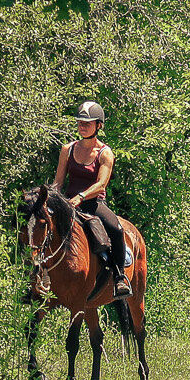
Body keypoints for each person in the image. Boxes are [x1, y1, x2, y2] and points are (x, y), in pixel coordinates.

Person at [50, 100, 130, 299]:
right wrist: (50, 198)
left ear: (99, 125)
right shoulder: (67, 149)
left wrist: (82, 196)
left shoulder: (105, 153)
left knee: (116, 229)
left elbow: (101, 184)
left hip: (93, 204)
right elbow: (58, 182)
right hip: (67, 203)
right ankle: (35, 276)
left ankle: (120, 277)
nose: (82, 126)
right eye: (80, 123)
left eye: (88, 123)